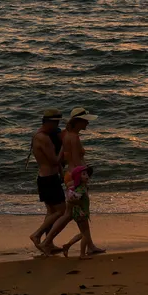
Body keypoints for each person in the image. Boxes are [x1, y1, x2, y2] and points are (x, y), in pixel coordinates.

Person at [41, 108, 104, 256]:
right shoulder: (74, 138)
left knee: (71, 214)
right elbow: (76, 162)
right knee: (78, 212)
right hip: (76, 176)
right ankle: (47, 241)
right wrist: (82, 180)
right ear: (78, 122)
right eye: (85, 120)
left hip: (70, 175)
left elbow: (64, 159)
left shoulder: (67, 136)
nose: (88, 122)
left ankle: (89, 245)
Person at [28, 110, 67, 253]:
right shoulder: (43, 138)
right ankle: (37, 235)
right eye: (55, 123)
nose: (56, 126)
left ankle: (48, 243)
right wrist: (65, 145)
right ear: (49, 122)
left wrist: (61, 173)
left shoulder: (39, 135)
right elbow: (54, 160)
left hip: (47, 178)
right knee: (61, 211)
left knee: (51, 211)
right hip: (48, 179)